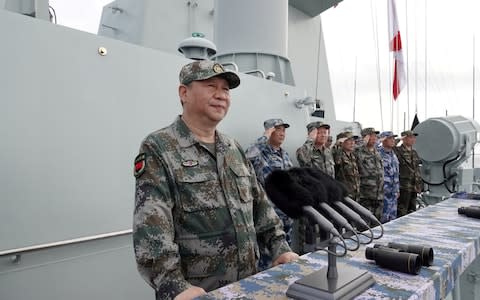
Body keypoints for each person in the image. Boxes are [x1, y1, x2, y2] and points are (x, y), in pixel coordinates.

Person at [133, 60, 298, 300]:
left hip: (248, 287)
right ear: (184, 92)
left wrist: (280, 248)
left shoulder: (233, 148)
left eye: (226, 89)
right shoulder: (159, 147)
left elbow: (261, 207)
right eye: (211, 86)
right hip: (197, 293)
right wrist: (174, 286)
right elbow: (151, 229)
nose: (221, 95)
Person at [245, 118, 294, 269]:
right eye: (277, 129)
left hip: (286, 211)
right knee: (266, 256)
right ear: (270, 131)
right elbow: (247, 156)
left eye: (284, 130)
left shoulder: (285, 155)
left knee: (286, 253)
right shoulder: (260, 153)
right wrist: (265, 136)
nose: (282, 133)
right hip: (268, 214)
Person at [355, 127, 384, 220]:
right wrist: (362, 143)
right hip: (366, 195)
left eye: (375, 136)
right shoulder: (358, 152)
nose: (374, 138)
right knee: (365, 225)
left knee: (377, 223)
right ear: (365, 138)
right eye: (371, 136)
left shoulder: (377, 152)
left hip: (379, 194)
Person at [394, 130, 423, 217]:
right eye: (410, 137)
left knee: (412, 211)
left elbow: (417, 170)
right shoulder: (398, 151)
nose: (413, 139)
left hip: (413, 187)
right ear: (404, 139)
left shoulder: (414, 153)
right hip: (403, 187)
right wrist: (399, 139)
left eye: (414, 137)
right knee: (402, 212)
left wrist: (419, 185)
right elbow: (390, 147)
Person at [377, 131, 400, 223]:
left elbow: (396, 173)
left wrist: (397, 189)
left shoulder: (393, 155)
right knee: (383, 218)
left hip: (393, 192)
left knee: (393, 217)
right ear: (384, 140)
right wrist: (379, 140)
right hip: (383, 191)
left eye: (393, 138)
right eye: (390, 138)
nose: (393, 140)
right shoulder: (378, 153)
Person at [333, 131, 361, 201]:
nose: (352, 143)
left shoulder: (353, 156)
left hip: (355, 195)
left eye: (353, 140)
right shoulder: (337, 155)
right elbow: (335, 155)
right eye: (349, 140)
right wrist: (338, 144)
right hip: (344, 196)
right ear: (341, 142)